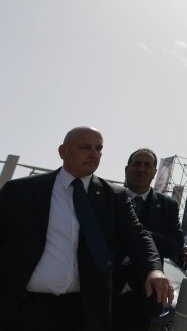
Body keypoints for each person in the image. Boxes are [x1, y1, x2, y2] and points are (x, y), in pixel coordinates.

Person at [0, 126, 173, 331]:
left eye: (98, 148)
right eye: (85, 147)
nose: (94, 154)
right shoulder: (20, 191)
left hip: (82, 313)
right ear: (63, 151)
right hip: (26, 309)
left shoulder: (114, 198)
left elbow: (138, 237)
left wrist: (154, 270)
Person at [113, 148, 184, 330]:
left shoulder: (168, 205)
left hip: (145, 298)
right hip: (106, 291)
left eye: (147, 165)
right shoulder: (109, 199)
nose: (141, 169)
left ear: (154, 172)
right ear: (126, 169)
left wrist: (138, 234)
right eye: (137, 164)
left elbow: (175, 246)